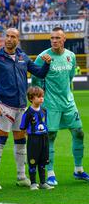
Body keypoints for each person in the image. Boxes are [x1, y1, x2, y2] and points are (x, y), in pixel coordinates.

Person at [0, 28, 52, 190]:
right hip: (5, 106)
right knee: (0, 140)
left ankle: (21, 176)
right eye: (7, 36)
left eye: (13, 36)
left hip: (22, 107)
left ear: (18, 39)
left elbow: (40, 73)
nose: (9, 39)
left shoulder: (23, 57)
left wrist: (47, 63)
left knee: (21, 141)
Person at [32, 27, 89, 186]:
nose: (54, 40)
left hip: (69, 104)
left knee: (79, 133)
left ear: (64, 39)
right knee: (50, 136)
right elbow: (35, 79)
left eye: (58, 38)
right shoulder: (43, 57)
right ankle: (50, 173)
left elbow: (70, 77)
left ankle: (78, 170)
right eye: (52, 38)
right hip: (50, 104)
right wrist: (40, 98)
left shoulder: (70, 56)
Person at [19, 87, 53, 190]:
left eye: (42, 96)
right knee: (33, 160)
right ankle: (33, 183)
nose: (41, 99)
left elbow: (44, 123)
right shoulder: (28, 113)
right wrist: (28, 134)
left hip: (44, 138)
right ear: (31, 98)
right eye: (39, 97)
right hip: (33, 139)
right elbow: (22, 126)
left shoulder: (44, 111)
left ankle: (43, 182)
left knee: (43, 160)